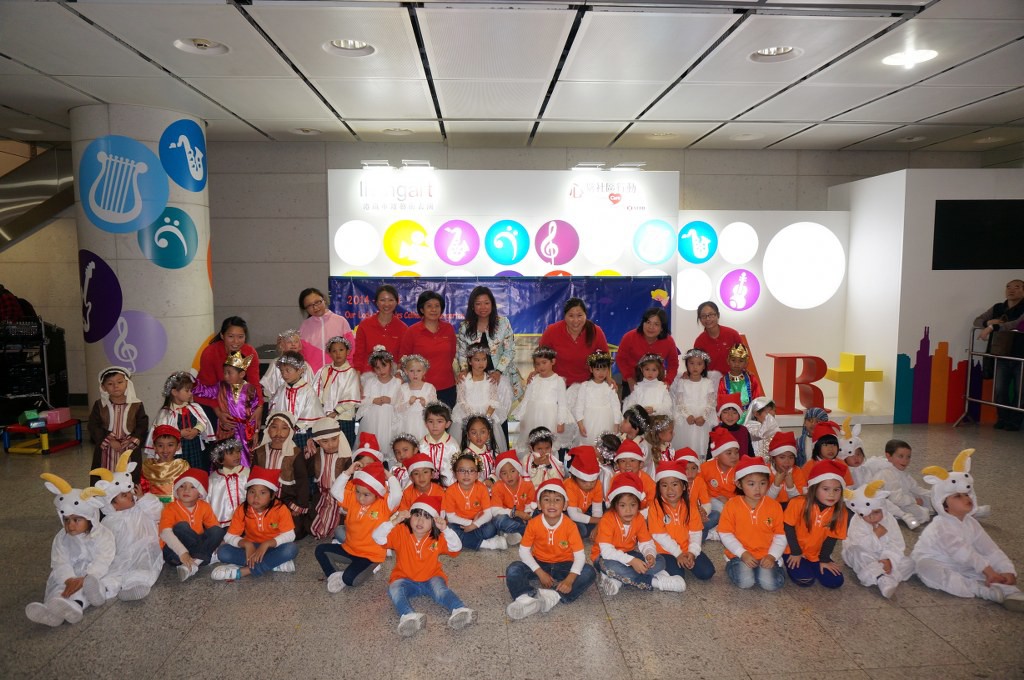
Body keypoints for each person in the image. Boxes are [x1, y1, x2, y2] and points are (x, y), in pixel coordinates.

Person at [913, 448, 1024, 611]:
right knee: (929, 570)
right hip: (936, 560)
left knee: (982, 567)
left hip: (964, 562)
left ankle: (1009, 591)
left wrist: (1006, 570)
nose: (966, 498)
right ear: (943, 505)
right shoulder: (940, 526)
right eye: (957, 496)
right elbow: (961, 551)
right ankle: (983, 590)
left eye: (967, 494)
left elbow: (990, 549)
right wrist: (988, 570)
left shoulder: (971, 522)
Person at [372, 496, 475, 636]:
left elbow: (456, 548)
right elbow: (377, 537)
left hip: (432, 576)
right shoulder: (400, 531)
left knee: (441, 591)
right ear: (410, 516)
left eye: (426, 517)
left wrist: (446, 530)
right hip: (404, 577)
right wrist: (393, 522)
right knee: (395, 589)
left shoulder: (437, 537)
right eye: (417, 515)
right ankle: (408, 616)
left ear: (434, 522)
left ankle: (460, 609)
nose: (420, 521)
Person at [25, 474, 113, 627]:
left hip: (92, 573)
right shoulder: (61, 538)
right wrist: (68, 579)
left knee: (87, 588)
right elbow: (60, 561)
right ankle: (51, 611)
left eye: (77, 520)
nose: (70, 525)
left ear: (90, 518)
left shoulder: (103, 535)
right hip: (69, 574)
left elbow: (104, 559)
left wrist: (86, 577)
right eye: (66, 520)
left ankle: (76, 606)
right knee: (60, 588)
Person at [505, 478, 597, 619]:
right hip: (540, 563)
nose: (552, 504)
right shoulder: (533, 524)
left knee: (589, 571)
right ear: (539, 505)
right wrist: (540, 573)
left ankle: (553, 596)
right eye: (547, 500)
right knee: (513, 569)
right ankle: (525, 598)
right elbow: (523, 551)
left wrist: (569, 580)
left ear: (565, 505)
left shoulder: (570, 526)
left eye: (557, 500)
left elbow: (580, 556)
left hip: (565, 565)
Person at [317, 459, 400, 592]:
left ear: (377, 494)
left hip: (370, 557)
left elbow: (397, 495)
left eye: (366, 494)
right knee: (320, 550)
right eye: (358, 491)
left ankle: (365, 570)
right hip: (349, 549)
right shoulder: (352, 499)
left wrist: (388, 476)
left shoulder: (384, 504)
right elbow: (335, 491)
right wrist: (348, 472)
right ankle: (334, 575)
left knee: (350, 580)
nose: (361, 498)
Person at [92, 451, 163, 601]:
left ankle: (136, 584)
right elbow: (103, 541)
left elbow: (158, 513)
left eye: (129, 492)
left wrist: (143, 499)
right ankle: (105, 588)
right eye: (124, 495)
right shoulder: (109, 520)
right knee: (115, 570)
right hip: (121, 554)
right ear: (112, 504)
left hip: (144, 546)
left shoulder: (140, 507)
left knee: (144, 564)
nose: (130, 495)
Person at [592, 472, 678, 595]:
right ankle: (654, 582)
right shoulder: (607, 520)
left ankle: (618, 579)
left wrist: (649, 554)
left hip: (629, 553)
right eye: (623, 505)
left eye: (633, 505)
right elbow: (606, 552)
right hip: (604, 557)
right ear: (615, 506)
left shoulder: (639, 518)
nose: (628, 510)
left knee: (660, 560)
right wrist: (632, 561)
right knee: (610, 565)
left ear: (639, 505)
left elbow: (646, 542)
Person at [212, 467, 299, 580]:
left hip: (273, 547)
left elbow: (290, 535)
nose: (256, 497)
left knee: (291, 549)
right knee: (223, 552)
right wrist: (247, 544)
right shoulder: (242, 509)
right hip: (251, 548)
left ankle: (246, 570)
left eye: (262, 493)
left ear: (272, 496)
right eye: (252, 492)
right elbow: (229, 536)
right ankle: (273, 564)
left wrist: (266, 544)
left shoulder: (280, 509)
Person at [718, 456, 786, 591]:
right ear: (739, 485)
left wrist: (772, 556)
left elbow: (780, 535)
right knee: (746, 582)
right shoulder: (732, 505)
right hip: (740, 555)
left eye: (762, 483)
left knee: (771, 585)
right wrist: (742, 553)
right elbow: (725, 534)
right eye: (751, 484)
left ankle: (765, 568)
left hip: (766, 555)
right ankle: (733, 565)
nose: (757, 489)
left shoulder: (774, 506)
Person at [841, 480, 914, 598]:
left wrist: (889, 560)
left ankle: (886, 577)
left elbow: (897, 543)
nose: (871, 517)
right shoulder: (857, 521)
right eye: (865, 515)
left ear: (883, 508)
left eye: (876, 512)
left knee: (910, 563)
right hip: (865, 554)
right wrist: (875, 535)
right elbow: (858, 544)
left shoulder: (889, 520)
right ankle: (881, 578)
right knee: (854, 551)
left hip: (885, 556)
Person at [456, 285, 525, 407]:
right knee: (477, 411)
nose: (483, 307)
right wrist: (464, 369)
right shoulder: (465, 327)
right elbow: (462, 352)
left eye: (486, 303)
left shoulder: (503, 323)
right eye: (478, 304)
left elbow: (509, 350)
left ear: (492, 304)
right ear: (472, 306)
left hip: (500, 377)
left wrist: (498, 372)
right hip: (476, 378)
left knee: (499, 412)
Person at [783, 460, 849, 588]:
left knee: (835, 581)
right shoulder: (798, 503)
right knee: (806, 580)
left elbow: (832, 538)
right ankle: (793, 562)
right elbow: (788, 527)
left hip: (816, 554)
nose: (832, 494)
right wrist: (796, 552)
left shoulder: (841, 511)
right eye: (826, 489)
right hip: (792, 549)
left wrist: (824, 560)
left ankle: (811, 564)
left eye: (836, 490)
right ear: (814, 488)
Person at [193, 350, 263, 466]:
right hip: (226, 430)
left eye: (229, 373)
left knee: (245, 459)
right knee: (225, 458)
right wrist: (192, 382)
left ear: (242, 374)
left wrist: (255, 432)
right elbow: (204, 391)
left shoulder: (251, 389)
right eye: (224, 372)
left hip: (245, 432)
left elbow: (254, 412)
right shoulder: (220, 387)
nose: (226, 376)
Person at [195, 316, 262, 431]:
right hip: (211, 402)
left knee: (247, 431)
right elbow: (208, 388)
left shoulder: (250, 352)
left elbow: (254, 383)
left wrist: (259, 407)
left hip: (239, 400)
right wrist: (219, 413)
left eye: (240, 337)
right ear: (222, 335)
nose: (236, 341)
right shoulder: (210, 352)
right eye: (231, 336)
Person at [159, 468, 225, 581]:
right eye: (182, 486)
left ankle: (194, 564)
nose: (186, 490)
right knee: (181, 526)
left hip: (196, 546)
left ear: (200, 493)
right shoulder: (170, 508)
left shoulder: (204, 506)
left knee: (218, 531)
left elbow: (214, 527)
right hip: (175, 551)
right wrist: (183, 553)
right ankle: (203, 557)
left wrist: (218, 542)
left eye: (192, 487)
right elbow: (165, 533)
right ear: (176, 491)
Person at [975, 279, 1024, 431]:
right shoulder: (998, 307)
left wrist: (993, 327)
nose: (1011, 290)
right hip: (1001, 354)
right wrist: (988, 323)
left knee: (1020, 391)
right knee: (999, 390)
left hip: (1020, 355)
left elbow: (1016, 324)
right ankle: (1003, 418)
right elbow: (978, 320)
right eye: (1008, 287)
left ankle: (1015, 421)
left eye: (1017, 287)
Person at [251, 411, 310, 537]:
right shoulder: (260, 452)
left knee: (295, 531)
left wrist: (299, 505)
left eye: (284, 428)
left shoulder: (295, 453)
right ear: (268, 429)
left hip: (287, 499)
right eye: (274, 427)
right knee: (253, 526)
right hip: (263, 499)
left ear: (290, 431)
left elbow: (302, 481)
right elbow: (253, 479)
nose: (278, 433)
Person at [88, 366, 148, 485]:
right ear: (103, 387)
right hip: (106, 448)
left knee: (130, 475)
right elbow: (93, 425)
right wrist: (109, 440)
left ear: (127, 383)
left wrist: (133, 439)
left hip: (129, 447)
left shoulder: (136, 404)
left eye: (120, 382)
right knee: (104, 475)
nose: (116, 386)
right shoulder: (99, 405)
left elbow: (142, 424)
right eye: (110, 384)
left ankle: (129, 494)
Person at [399, 290, 458, 407]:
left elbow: (451, 355)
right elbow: (404, 359)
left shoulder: (448, 329)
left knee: (445, 418)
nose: (433, 309)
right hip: (420, 389)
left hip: (446, 387)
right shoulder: (412, 331)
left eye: (437, 306)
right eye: (429, 306)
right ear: (422, 309)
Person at [451, 342, 513, 451]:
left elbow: (494, 401)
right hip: (466, 415)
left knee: (489, 446)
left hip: (487, 415)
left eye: (484, 359)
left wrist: (485, 418)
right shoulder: (464, 380)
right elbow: (461, 401)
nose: (481, 363)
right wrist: (473, 418)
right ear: (470, 361)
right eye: (477, 360)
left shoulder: (490, 379)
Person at [144, 371, 214, 468]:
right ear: (174, 392)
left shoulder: (194, 408)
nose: (190, 393)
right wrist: (179, 434)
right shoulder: (166, 413)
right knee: (179, 472)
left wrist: (196, 430)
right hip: (176, 452)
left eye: (191, 390)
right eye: (187, 391)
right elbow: (161, 433)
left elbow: (203, 422)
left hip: (194, 448)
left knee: (194, 471)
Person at [538, 297, 610, 388]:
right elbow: (541, 356)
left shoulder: (596, 331)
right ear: (564, 316)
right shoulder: (552, 331)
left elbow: (605, 358)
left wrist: (608, 378)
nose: (575, 320)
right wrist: (537, 372)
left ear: (585, 315)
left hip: (587, 385)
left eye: (579, 315)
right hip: (557, 384)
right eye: (571, 316)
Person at [443, 452, 507, 550]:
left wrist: (475, 525)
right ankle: (487, 544)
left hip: (480, 523)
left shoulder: (482, 488)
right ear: (455, 474)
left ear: (477, 474)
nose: (466, 474)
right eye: (462, 470)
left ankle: (467, 540)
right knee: (450, 529)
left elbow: (488, 514)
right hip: (460, 524)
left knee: (491, 528)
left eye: (471, 470)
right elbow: (451, 517)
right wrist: (470, 523)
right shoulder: (450, 491)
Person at [515, 346, 572, 456]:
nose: (541, 366)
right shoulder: (533, 379)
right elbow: (527, 399)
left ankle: (551, 463)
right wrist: (522, 418)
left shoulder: (558, 380)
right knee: (533, 443)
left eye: (544, 362)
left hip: (550, 417)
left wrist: (560, 422)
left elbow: (562, 404)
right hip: (532, 416)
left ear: (553, 362)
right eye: (537, 364)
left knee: (549, 443)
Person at [305, 417, 353, 540]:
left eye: (334, 439)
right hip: (322, 496)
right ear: (318, 441)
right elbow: (308, 473)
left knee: (342, 525)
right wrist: (309, 455)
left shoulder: (345, 456)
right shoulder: (317, 454)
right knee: (311, 525)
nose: (330, 444)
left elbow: (351, 480)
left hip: (341, 498)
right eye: (325, 441)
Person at [868, 439, 932, 530]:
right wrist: (914, 500)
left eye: (908, 457)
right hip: (891, 503)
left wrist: (931, 494)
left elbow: (915, 488)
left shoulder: (900, 471)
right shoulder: (886, 473)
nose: (905, 460)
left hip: (904, 498)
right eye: (900, 456)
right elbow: (895, 499)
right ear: (888, 456)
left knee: (931, 499)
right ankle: (898, 516)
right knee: (923, 515)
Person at [616, 308, 680, 399]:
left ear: (662, 328)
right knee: (629, 407)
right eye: (648, 322)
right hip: (631, 382)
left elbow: (673, 364)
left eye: (656, 324)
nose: (651, 327)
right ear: (643, 323)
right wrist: (629, 379)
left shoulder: (668, 341)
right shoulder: (629, 337)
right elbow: (620, 359)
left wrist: (667, 382)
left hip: (656, 383)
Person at [268, 350, 324, 451]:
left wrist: (296, 427)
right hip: (282, 434)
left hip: (302, 434)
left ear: (300, 370)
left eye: (288, 370)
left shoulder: (308, 390)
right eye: (282, 371)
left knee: (301, 456)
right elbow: (274, 408)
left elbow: (311, 411)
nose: (284, 374)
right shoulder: (281, 390)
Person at [313, 335, 361, 450]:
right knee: (327, 448)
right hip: (324, 416)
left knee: (345, 447)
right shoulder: (324, 370)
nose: (338, 353)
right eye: (334, 351)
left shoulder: (351, 373)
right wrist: (321, 409)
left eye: (341, 350)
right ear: (329, 353)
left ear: (347, 352)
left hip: (344, 417)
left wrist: (336, 412)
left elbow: (351, 395)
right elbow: (316, 391)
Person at [358, 345, 402, 466]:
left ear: (390, 365)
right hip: (373, 419)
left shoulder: (397, 382)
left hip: (390, 420)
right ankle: (371, 467)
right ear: (373, 369)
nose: (381, 370)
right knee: (373, 444)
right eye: (377, 368)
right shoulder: (370, 382)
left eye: (384, 366)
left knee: (389, 444)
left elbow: (401, 402)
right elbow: (362, 401)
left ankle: (391, 469)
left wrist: (390, 400)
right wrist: (374, 400)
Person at [352, 284, 407, 376]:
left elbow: (402, 358)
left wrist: (398, 377)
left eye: (391, 300)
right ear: (376, 302)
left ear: (396, 302)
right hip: (367, 376)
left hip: (392, 377)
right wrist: (357, 378)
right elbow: (359, 355)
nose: (387, 304)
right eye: (382, 300)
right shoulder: (365, 325)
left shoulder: (403, 328)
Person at [568, 350, 621, 447]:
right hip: (588, 422)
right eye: (597, 369)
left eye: (604, 369)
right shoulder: (585, 386)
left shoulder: (610, 387)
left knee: (604, 446)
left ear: (608, 370)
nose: (601, 373)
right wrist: (580, 424)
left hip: (607, 421)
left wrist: (616, 424)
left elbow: (616, 406)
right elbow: (579, 407)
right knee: (589, 446)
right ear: (591, 369)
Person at [671, 348, 717, 457]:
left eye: (699, 364)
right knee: (686, 445)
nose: (695, 367)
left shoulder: (708, 382)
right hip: (686, 419)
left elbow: (711, 402)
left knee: (702, 444)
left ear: (704, 366)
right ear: (687, 364)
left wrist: (704, 416)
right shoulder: (682, 382)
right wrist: (687, 415)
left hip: (703, 420)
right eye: (691, 363)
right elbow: (679, 401)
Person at [298, 287, 354, 374]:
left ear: (324, 300)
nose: (315, 307)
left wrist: (348, 371)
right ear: (305, 309)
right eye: (309, 306)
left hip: (339, 375)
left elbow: (351, 349)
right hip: (314, 377)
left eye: (317, 302)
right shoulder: (304, 326)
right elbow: (301, 354)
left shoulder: (340, 321)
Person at [700, 428, 740, 541]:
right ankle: (721, 530)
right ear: (717, 455)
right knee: (721, 510)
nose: (734, 456)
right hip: (711, 501)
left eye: (736, 452)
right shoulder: (706, 468)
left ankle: (716, 531)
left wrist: (730, 501)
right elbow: (699, 487)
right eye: (729, 453)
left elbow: (745, 491)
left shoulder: (740, 469)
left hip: (734, 502)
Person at [489, 449, 535, 545]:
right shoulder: (497, 486)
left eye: (512, 471)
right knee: (498, 520)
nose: (509, 476)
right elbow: (495, 510)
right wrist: (515, 513)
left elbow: (530, 505)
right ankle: (526, 532)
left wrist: (526, 515)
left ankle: (510, 533)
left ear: (518, 470)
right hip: (506, 516)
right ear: (499, 475)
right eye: (504, 473)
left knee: (537, 515)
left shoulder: (528, 485)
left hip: (522, 518)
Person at [692, 301, 743, 383]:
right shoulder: (699, 342)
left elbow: (743, 360)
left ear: (718, 315)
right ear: (700, 319)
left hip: (734, 381)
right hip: (711, 383)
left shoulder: (732, 334)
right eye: (703, 316)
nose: (707, 319)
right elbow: (698, 366)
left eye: (711, 315)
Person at [261, 329, 315, 403]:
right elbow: (268, 384)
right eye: (289, 342)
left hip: (300, 402)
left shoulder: (305, 365)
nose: (293, 344)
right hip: (281, 402)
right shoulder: (276, 363)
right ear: (282, 345)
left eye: (296, 342)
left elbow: (312, 385)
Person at [563, 445, 604, 538]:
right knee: (582, 530)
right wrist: (599, 521)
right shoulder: (569, 485)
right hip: (567, 512)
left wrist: (598, 525)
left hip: (584, 513)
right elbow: (573, 515)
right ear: (575, 477)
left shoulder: (597, 484)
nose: (589, 485)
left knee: (606, 509)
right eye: (584, 481)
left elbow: (597, 510)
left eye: (592, 481)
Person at [140, 425, 189, 501]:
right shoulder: (147, 467)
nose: (165, 450)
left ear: (178, 446)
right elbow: (144, 490)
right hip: (152, 507)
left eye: (170, 445)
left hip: (176, 507)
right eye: (160, 445)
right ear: (154, 447)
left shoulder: (182, 466)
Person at [207, 439, 249, 527]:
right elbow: (208, 500)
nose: (236, 455)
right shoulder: (213, 479)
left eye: (238, 451)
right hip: (223, 523)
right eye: (231, 453)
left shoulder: (247, 473)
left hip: (247, 520)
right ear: (220, 459)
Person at [716, 344, 763, 421]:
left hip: (748, 417)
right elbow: (721, 402)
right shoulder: (723, 381)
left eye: (741, 361)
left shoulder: (751, 379)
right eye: (733, 360)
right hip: (730, 418)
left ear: (746, 363)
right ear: (728, 361)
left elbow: (757, 399)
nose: (737, 364)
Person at [394, 354, 435, 442]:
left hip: (423, 424)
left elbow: (435, 409)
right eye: (411, 371)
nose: (415, 374)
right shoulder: (403, 388)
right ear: (406, 371)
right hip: (407, 423)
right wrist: (408, 403)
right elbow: (397, 409)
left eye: (418, 371)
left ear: (424, 372)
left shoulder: (429, 388)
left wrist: (425, 404)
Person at [622, 353, 673, 418]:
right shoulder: (638, 387)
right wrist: (641, 411)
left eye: (654, 370)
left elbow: (668, 405)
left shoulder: (662, 387)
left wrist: (654, 409)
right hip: (641, 420)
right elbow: (630, 405)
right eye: (647, 369)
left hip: (659, 420)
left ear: (659, 370)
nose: (650, 373)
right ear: (641, 369)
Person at [419, 401, 457, 487]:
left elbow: (457, 468)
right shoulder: (421, 445)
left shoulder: (453, 445)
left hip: (449, 486)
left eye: (439, 421)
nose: (435, 425)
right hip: (426, 486)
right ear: (425, 424)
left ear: (447, 424)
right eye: (430, 421)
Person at [767, 432, 806, 509]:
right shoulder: (766, 472)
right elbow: (765, 502)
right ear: (773, 458)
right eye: (782, 457)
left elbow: (799, 503)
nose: (787, 462)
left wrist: (791, 486)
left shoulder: (797, 472)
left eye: (791, 457)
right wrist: (776, 484)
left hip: (791, 509)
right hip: (771, 509)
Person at [711, 393, 753, 460]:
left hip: (742, 465)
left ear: (739, 414)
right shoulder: (715, 431)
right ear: (720, 414)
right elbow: (710, 455)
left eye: (734, 413)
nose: (730, 416)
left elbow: (750, 453)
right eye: (725, 412)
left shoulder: (744, 431)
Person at [744, 396, 778, 461]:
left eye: (774, 411)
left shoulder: (773, 427)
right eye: (768, 413)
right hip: (755, 462)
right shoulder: (750, 427)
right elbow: (761, 435)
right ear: (756, 414)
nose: (772, 415)